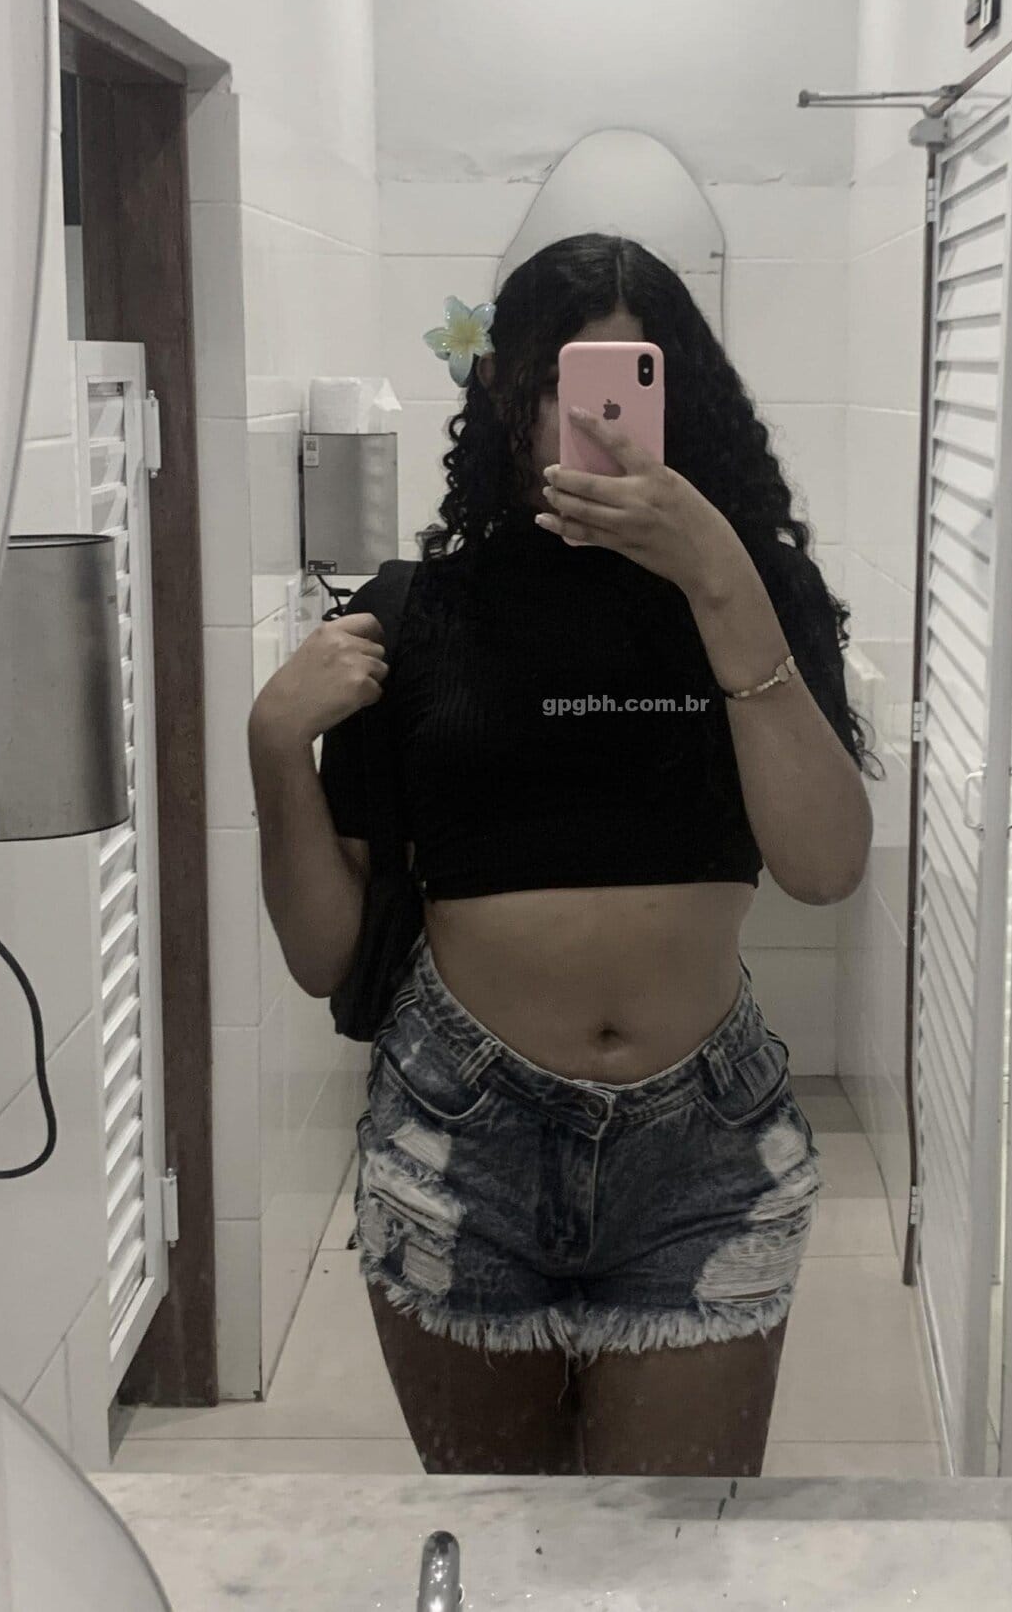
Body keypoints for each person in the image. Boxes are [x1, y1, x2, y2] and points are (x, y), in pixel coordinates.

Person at [248, 233, 874, 1476]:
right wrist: (274, 745)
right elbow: (323, 955)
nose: (582, 418)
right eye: (550, 382)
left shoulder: (755, 591)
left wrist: (718, 575)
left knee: (676, 1553)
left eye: (625, 378)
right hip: (458, 1141)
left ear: (678, 391)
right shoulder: (418, 611)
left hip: (702, 1150)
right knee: (504, 1548)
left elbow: (822, 866)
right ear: (502, 396)